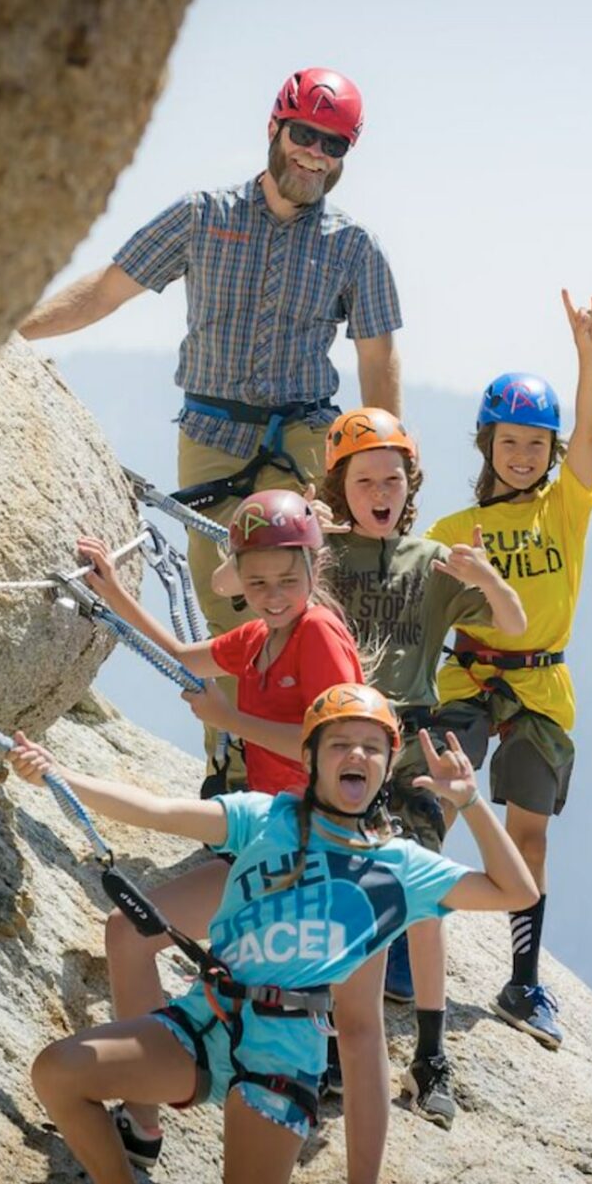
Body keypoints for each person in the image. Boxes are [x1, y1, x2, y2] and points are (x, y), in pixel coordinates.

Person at [19, 67, 402, 786]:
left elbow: (378, 360)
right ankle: (233, 774)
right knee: (230, 609)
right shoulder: (201, 216)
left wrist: (379, 466)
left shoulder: (354, 247)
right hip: (213, 434)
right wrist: (9, 333)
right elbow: (108, 288)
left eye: (333, 143)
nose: (315, 154)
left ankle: (329, 780)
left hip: (305, 438)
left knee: (302, 605)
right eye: (304, 136)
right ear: (274, 128)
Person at [9, 684, 539, 1184]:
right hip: (204, 1020)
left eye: (372, 748)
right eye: (340, 744)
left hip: (283, 1058)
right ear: (310, 759)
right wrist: (61, 777)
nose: (356, 755)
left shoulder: (399, 866)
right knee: (59, 1073)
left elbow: (516, 892)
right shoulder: (265, 818)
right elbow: (159, 813)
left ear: (388, 766)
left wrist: (470, 804)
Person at [215, 406, 527, 1127]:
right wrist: (299, 522)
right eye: (364, 480)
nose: (381, 492)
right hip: (340, 741)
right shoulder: (318, 551)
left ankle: (428, 1055)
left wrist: (483, 574)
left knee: (418, 883)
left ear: (409, 484)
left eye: (392, 478)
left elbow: (510, 624)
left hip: (409, 742)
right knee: (327, 879)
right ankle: (324, 1053)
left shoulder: (430, 561)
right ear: (341, 485)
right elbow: (237, 584)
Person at [74, 488, 382, 1172]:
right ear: (239, 579)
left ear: (314, 567)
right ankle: (143, 1117)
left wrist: (232, 720)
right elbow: (187, 651)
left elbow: (338, 741)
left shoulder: (318, 635)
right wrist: (117, 592)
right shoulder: (263, 635)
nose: (273, 593)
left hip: (307, 848)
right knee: (129, 933)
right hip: (262, 833)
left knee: (133, 934)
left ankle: (150, 1111)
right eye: (258, 581)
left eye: (287, 579)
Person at [424, 289, 592, 1050]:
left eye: (537, 444)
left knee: (528, 837)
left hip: (539, 684)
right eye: (511, 442)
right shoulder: (452, 530)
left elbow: (590, 433)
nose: (524, 455)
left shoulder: (564, 506)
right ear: (487, 445)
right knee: (426, 806)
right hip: (468, 677)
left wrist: (588, 357)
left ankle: (523, 982)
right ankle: (405, 952)